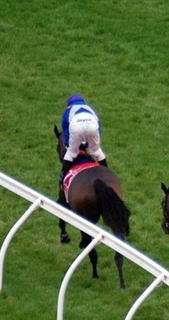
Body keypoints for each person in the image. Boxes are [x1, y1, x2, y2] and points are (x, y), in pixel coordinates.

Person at [58, 94, 107, 243]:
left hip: (76, 127)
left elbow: (66, 133)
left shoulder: (68, 112)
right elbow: (99, 128)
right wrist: (92, 146)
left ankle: (63, 177)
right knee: (98, 152)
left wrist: (71, 146)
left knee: (71, 153)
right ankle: (106, 173)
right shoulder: (89, 109)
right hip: (92, 126)